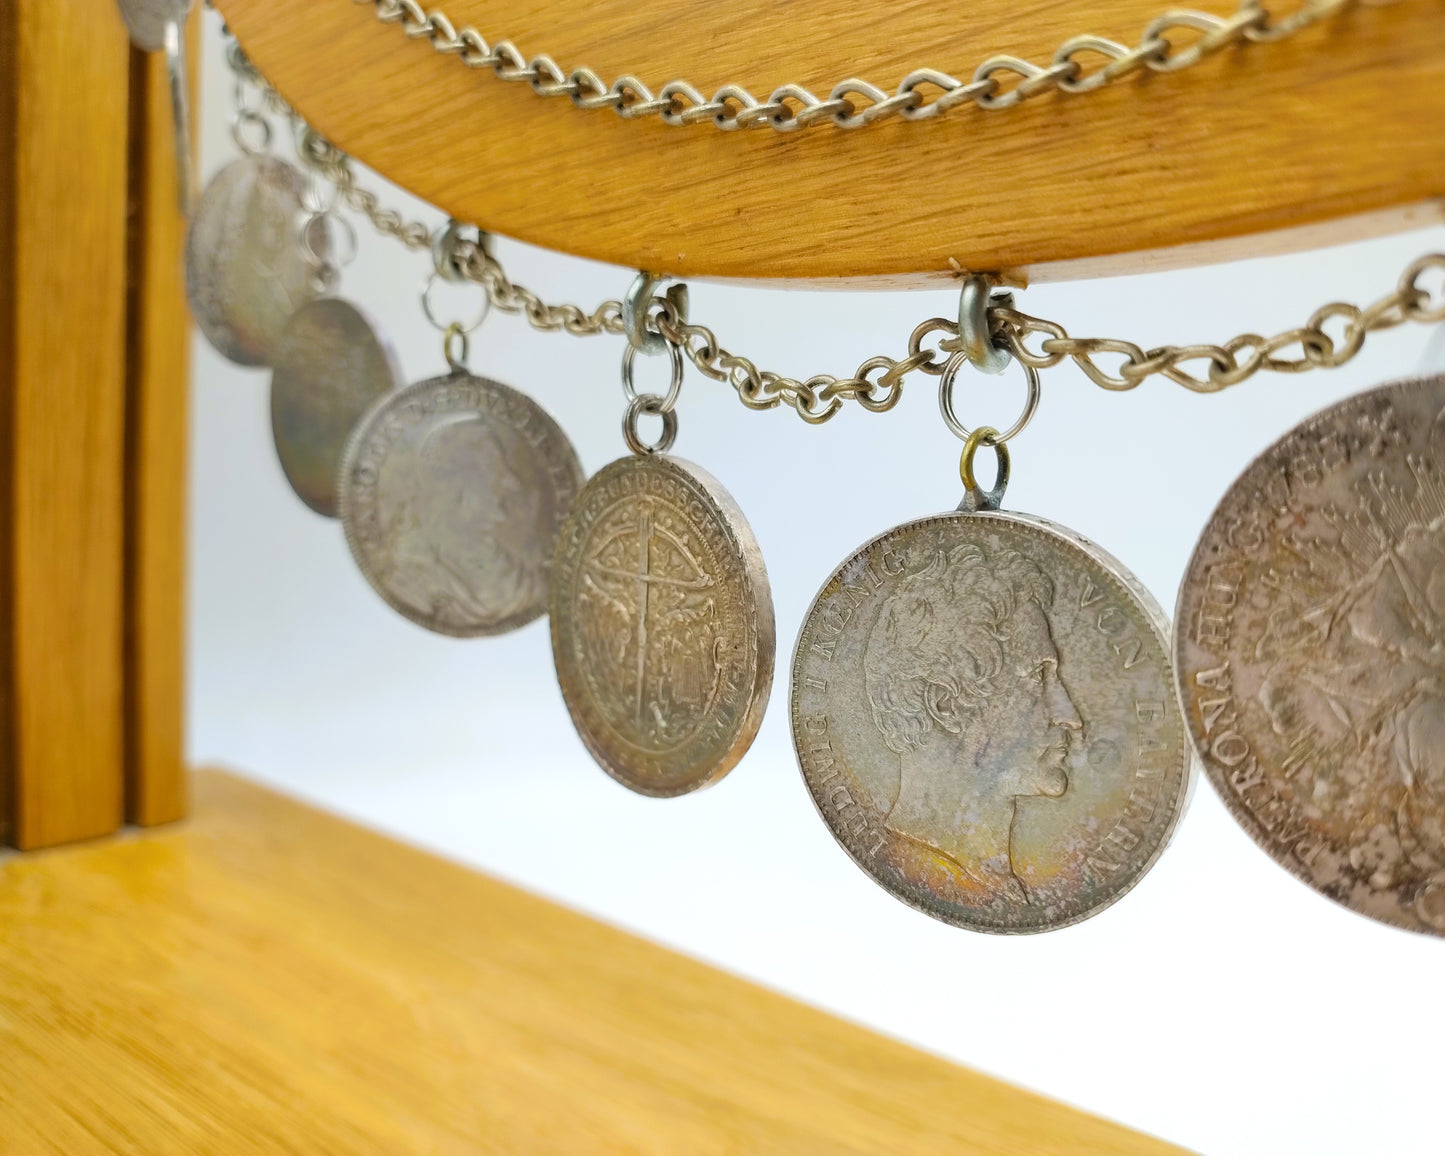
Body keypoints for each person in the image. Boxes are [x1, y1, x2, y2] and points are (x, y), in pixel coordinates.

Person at [864, 543, 1083, 899]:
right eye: (1038, 677)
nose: (1071, 718)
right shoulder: (912, 860)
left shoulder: (1000, 886)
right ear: (945, 703)